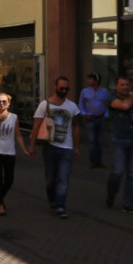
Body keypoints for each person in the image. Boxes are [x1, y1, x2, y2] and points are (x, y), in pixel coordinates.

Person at [29, 76, 80, 218]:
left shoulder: (72, 106)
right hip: (50, 147)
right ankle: (52, 201)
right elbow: (36, 126)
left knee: (63, 179)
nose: (64, 91)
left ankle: (60, 206)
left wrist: (76, 147)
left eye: (67, 89)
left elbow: (76, 126)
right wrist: (32, 146)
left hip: (67, 148)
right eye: (62, 88)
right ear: (55, 87)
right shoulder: (45, 105)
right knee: (51, 180)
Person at [106, 76, 133, 213]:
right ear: (116, 86)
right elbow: (125, 106)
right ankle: (111, 193)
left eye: (127, 85)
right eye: (122, 85)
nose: (125, 87)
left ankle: (129, 204)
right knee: (117, 172)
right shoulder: (111, 98)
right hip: (118, 140)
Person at [0, 92, 26, 216]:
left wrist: (24, 149)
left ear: (8, 103)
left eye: (4, 101)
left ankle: (0, 197)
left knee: (9, 180)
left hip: (9, 152)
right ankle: (0, 204)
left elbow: (18, 135)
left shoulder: (14, 117)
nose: (1, 104)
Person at [77, 72, 110, 169]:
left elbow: (108, 104)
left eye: (91, 79)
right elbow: (81, 104)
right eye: (88, 79)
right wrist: (84, 113)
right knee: (92, 140)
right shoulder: (85, 91)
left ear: (96, 81)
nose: (89, 81)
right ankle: (93, 161)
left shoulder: (104, 91)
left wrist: (106, 115)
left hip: (101, 118)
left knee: (99, 141)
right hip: (90, 118)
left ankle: (99, 161)